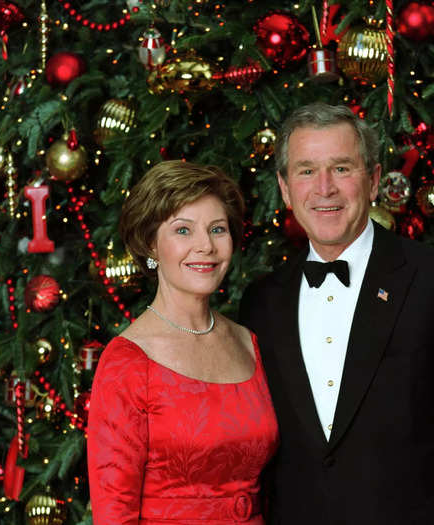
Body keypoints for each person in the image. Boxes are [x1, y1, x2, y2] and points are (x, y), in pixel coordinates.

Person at [239, 103, 434, 524]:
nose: (324, 188)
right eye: (305, 171)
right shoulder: (261, 301)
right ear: (284, 188)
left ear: (372, 182)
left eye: (341, 168)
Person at [88, 160, 279, 525]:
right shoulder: (127, 361)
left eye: (217, 229)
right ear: (151, 245)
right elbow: (114, 514)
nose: (205, 246)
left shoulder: (248, 342)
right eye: (183, 230)